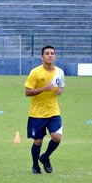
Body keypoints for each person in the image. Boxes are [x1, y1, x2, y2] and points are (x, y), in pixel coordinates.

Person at [24, 45, 65, 174]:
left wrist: (60, 91)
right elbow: (27, 92)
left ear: (55, 56)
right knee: (38, 141)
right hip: (37, 113)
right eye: (47, 53)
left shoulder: (60, 72)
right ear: (42, 57)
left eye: (52, 53)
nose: (50, 55)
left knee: (57, 137)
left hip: (53, 111)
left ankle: (45, 157)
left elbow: (61, 87)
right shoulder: (35, 72)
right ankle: (35, 165)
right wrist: (43, 89)